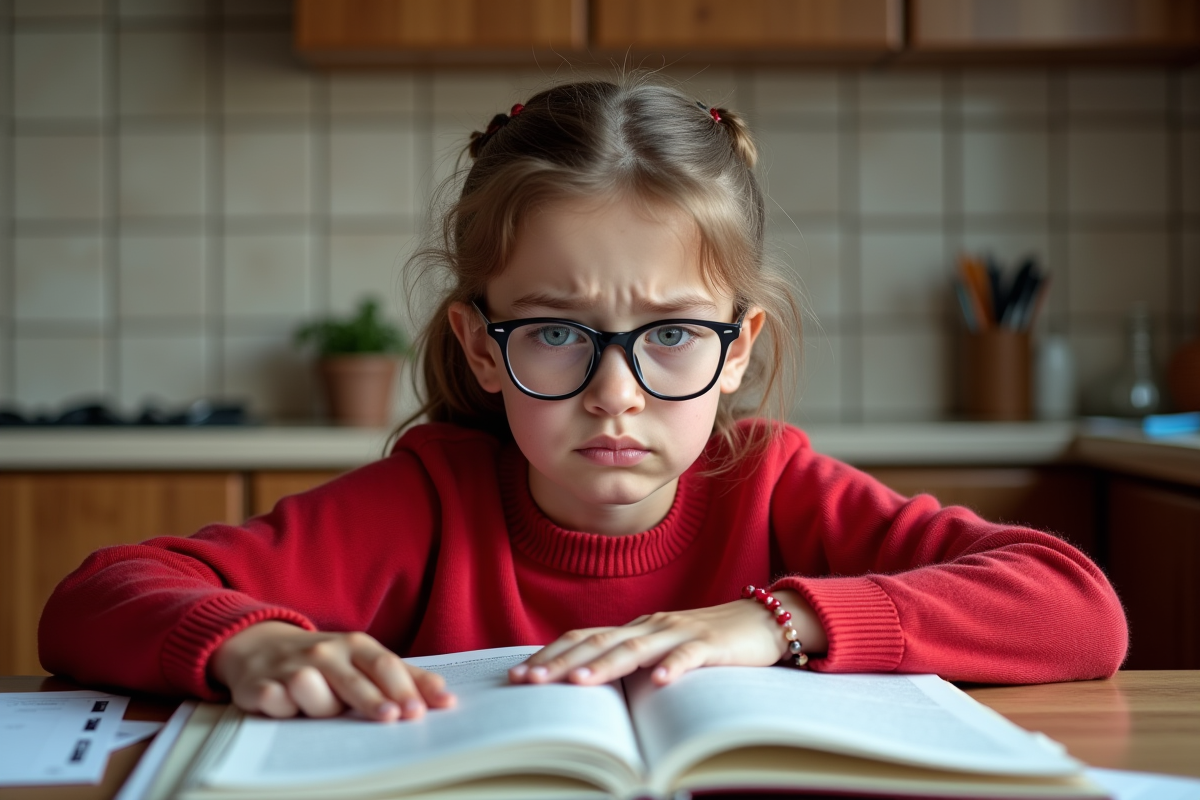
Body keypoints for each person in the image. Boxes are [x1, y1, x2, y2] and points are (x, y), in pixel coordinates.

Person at [39, 78, 1127, 725]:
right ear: (479, 345)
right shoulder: (430, 499)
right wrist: (248, 644)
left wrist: (776, 618)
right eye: (555, 332)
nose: (615, 394)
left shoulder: (777, 483)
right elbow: (95, 595)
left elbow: (1076, 602)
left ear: (738, 348)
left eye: (670, 335)